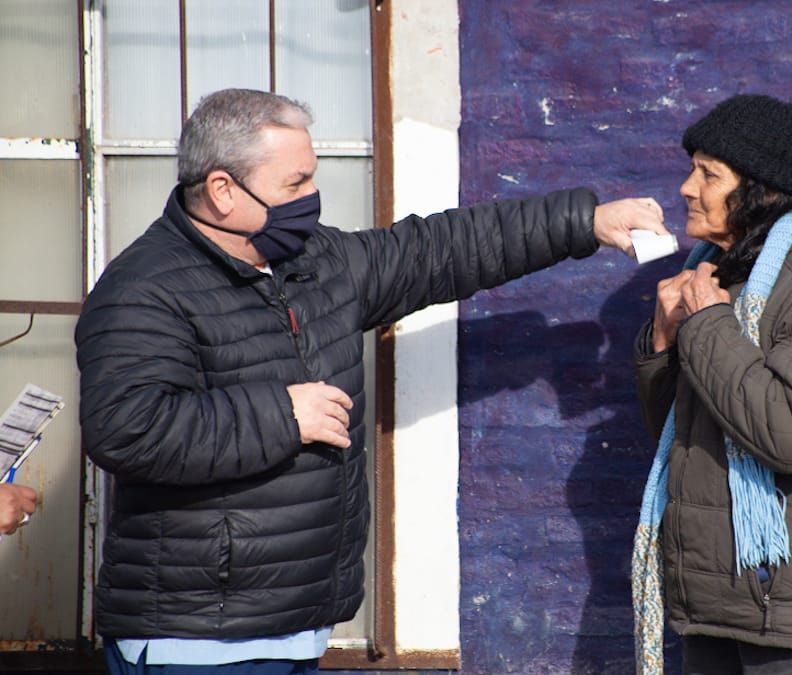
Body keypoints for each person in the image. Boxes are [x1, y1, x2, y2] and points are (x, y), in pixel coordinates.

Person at [74, 88, 667, 674]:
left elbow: (438, 250)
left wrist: (584, 222)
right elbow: (126, 429)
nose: (312, 197)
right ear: (223, 190)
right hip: (197, 640)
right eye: (294, 184)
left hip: (292, 628)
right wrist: (284, 416)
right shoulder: (145, 289)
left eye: (312, 178)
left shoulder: (312, 261)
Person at [631, 94, 792, 674]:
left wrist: (706, 324)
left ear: (760, 190)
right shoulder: (723, 275)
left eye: (708, 174)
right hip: (715, 605)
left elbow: (788, 434)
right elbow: (682, 437)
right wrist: (664, 343)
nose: (685, 188)